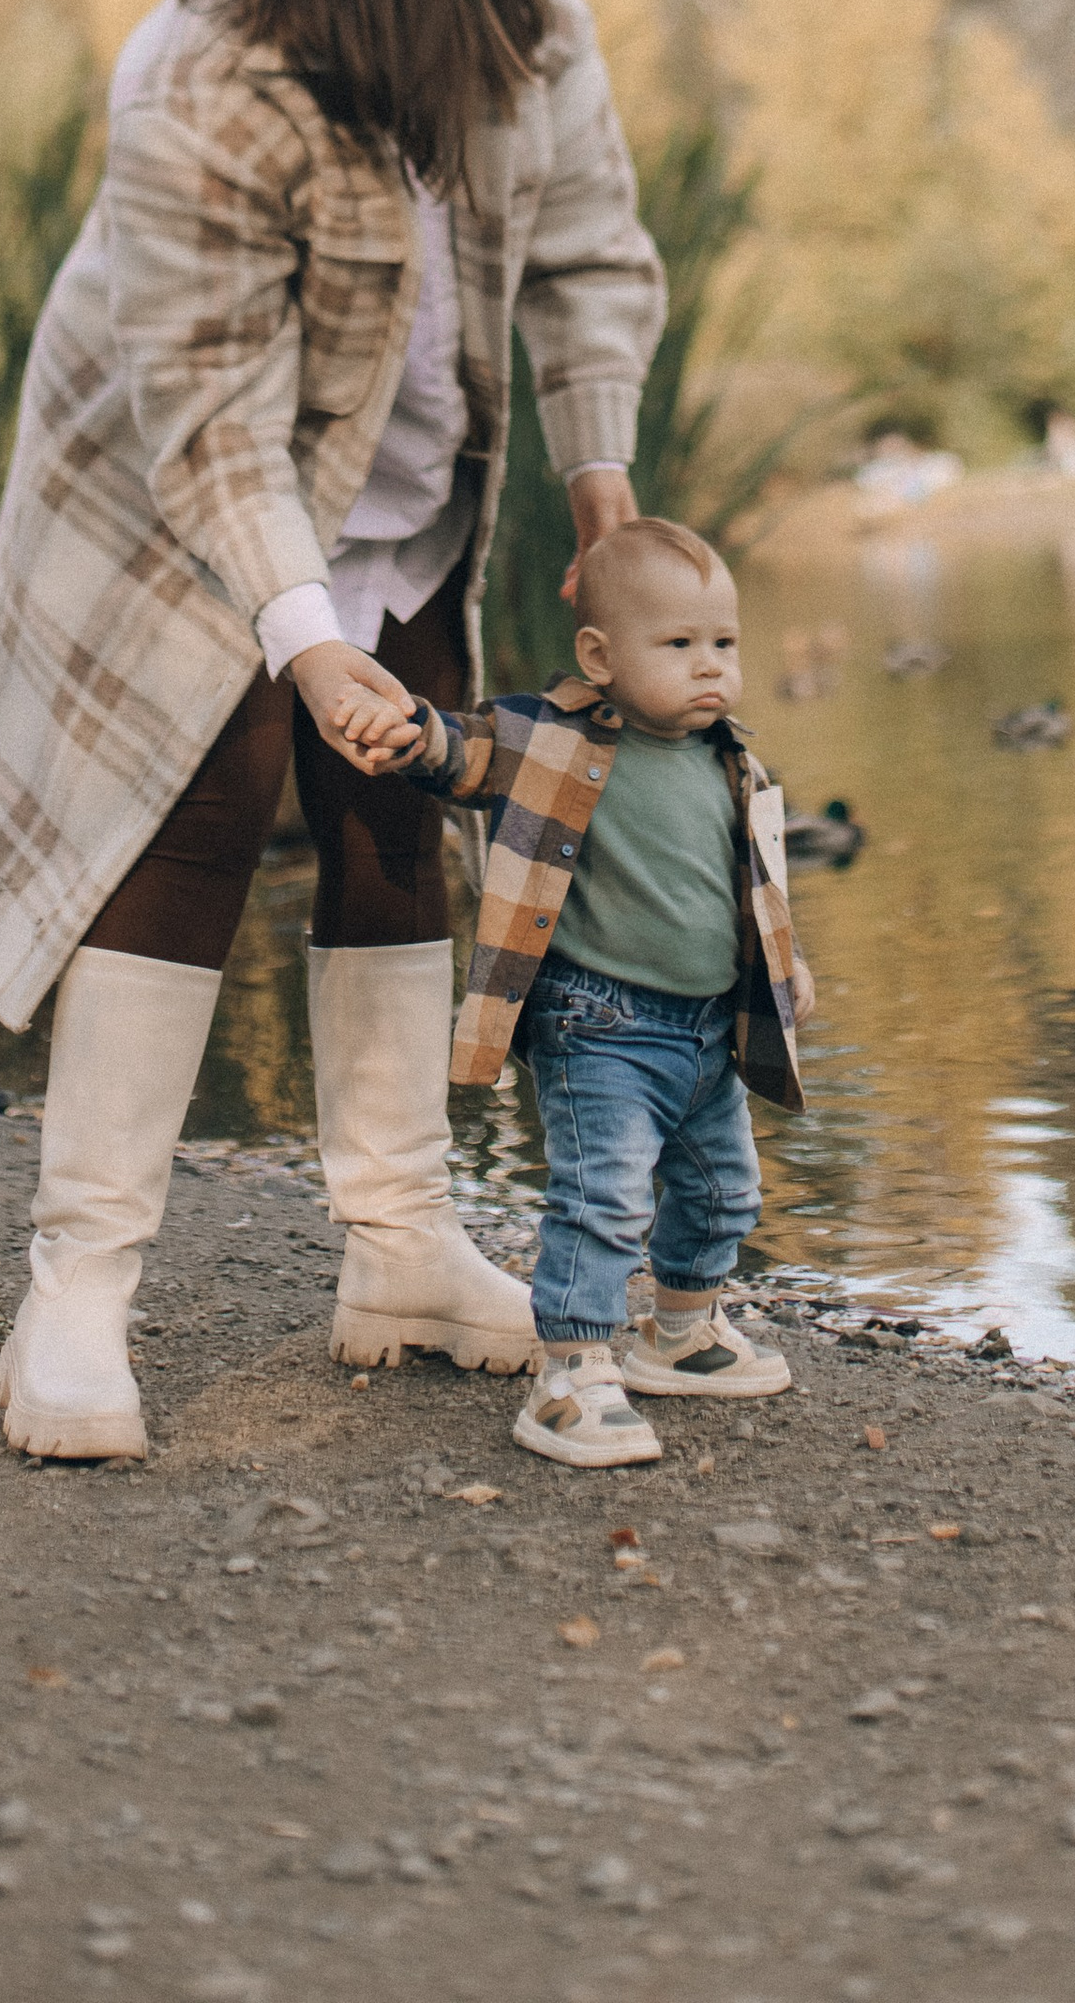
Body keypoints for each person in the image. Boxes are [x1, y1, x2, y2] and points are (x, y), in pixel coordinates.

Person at [0, 0, 666, 1460]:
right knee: (192, 817)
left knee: (393, 816)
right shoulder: (205, 78)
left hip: (397, 485)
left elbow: (585, 255)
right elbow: (204, 423)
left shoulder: (522, 24)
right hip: (177, 493)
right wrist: (303, 640)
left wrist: (600, 487)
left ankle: (402, 1250)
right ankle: (78, 1297)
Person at [348, 515, 810, 1469]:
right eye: (679, 646)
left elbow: (751, 883)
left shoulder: (732, 759)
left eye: (724, 644)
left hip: (706, 1030)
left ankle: (681, 1331)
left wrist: (787, 964)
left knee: (724, 1189)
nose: (710, 667)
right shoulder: (552, 739)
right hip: (597, 1024)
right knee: (604, 1199)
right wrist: (412, 733)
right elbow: (463, 751)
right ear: (599, 656)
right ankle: (572, 1373)